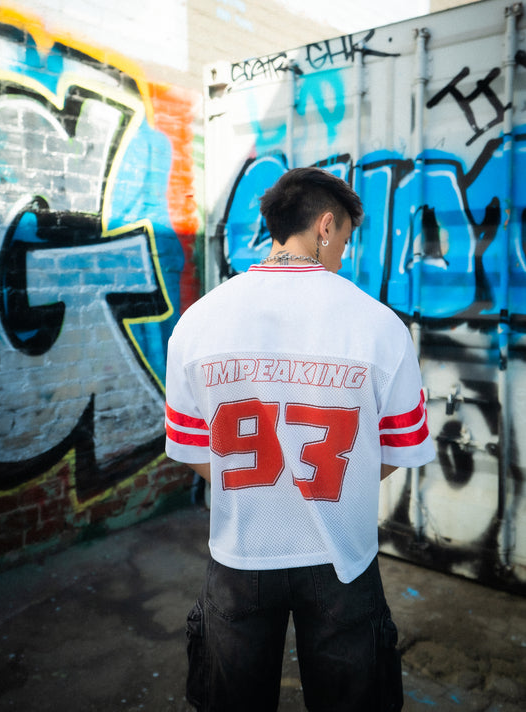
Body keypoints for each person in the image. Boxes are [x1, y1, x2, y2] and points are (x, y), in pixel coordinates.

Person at [165, 166, 435, 711]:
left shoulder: (198, 321)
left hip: (240, 551)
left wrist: (262, 491)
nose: (342, 259)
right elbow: (395, 451)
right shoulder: (379, 325)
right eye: (345, 242)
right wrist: (323, 487)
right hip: (343, 558)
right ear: (325, 226)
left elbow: (192, 449)